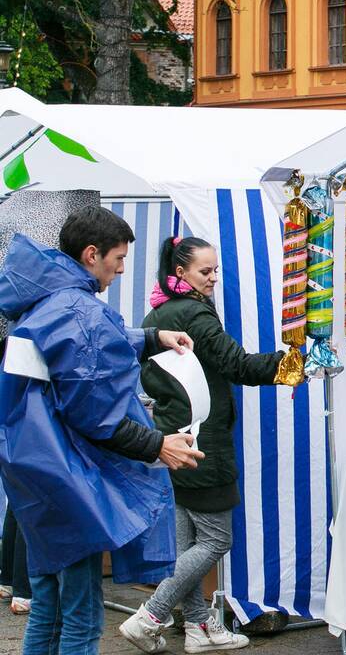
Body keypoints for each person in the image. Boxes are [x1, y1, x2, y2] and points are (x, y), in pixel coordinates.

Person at [0, 206, 204, 655]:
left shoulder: (43, 299)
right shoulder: (79, 310)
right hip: (67, 479)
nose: (122, 269)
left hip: (33, 474)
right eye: (117, 259)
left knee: (47, 610)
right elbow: (96, 415)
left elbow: (77, 350)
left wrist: (152, 338)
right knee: (81, 620)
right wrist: (157, 445)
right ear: (92, 254)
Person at [120, 236, 285, 654]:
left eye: (215, 270)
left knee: (187, 544)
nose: (213, 279)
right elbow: (240, 366)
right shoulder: (195, 314)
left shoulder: (158, 312)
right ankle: (151, 616)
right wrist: (294, 362)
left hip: (169, 438)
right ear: (181, 274)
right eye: (204, 271)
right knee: (216, 540)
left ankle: (196, 629)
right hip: (201, 441)